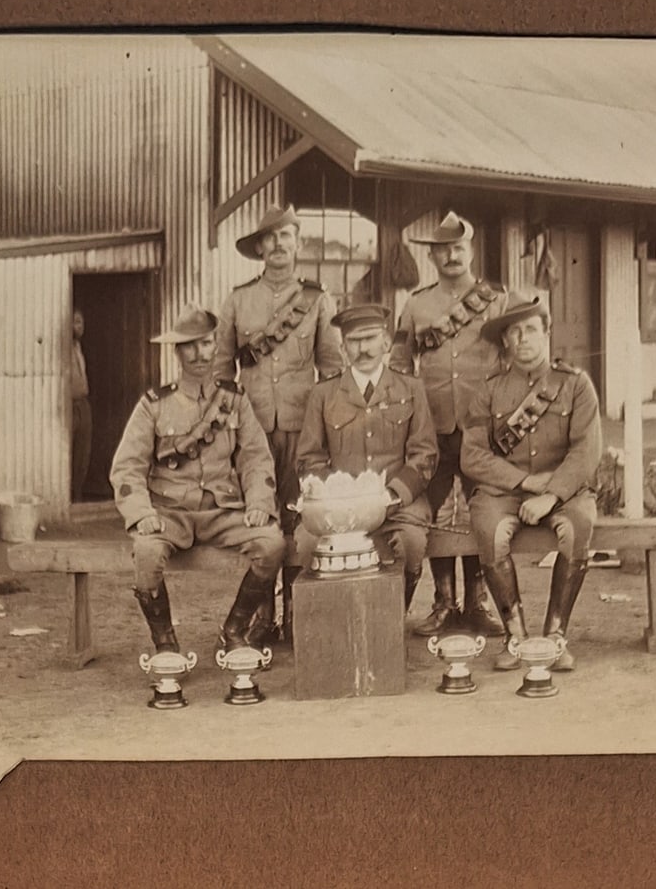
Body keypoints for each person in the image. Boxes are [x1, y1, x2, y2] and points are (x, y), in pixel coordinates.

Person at [110, 305, 286, 656]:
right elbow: (127, 468)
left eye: (207, 344)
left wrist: (259, 504)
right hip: (169, 513)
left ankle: (234, 630)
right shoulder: (154, 405)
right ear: (177, 351)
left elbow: (255, 459)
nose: (200, 354)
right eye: (190, 345)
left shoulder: (234, 401)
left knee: (272, 544)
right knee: (145, 553)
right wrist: (141, 513)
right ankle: (165, 645)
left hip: (221, 511)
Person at [213, 204, 344, 641]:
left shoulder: (318, 299)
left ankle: (296, 617)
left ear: (297, 243)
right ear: (259, 249)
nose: (277, 246)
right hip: (251, 433)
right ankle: (264, 620)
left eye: (285, 237)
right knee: (261, 522)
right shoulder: (238, 300)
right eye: (269, 239)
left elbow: (332, 370)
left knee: (301, 519)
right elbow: (220, 374)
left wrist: (327, 428)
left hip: (302, 428)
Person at [461, 290, 602, 671]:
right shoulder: (489, 391)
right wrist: (524, 482)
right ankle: (515, 636)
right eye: (515, 333)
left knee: (579, 525)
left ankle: (556, 634)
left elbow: (587, 451)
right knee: (488, 529)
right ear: (506, 341)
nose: (524, 340)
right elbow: (472, 455)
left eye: (531, 330)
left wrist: (552, 494)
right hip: (504, 491)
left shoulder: (576, 384)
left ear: (547, 332)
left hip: (565, 489)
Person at [390, 211, 508, 638]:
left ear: (471, 250)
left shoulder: (496, 300)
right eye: (444, 249)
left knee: (481, 511)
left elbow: (511, 362)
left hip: (482, 427)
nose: (452, 255)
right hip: (432, 427)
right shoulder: (417, 304)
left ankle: (476, 603)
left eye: (459, 248)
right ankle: (443, 602)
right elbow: (400, 366)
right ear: (434, 256)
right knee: (434, 512)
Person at [296, 304, 439, 612]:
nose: (363, 349)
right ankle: (331, 621)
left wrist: (392, 495)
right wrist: (336, 495)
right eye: (354, 342)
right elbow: (309, 457)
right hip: (339, 505)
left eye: (371, 338)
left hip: (399, 504)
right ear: (343, 348)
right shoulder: (323, 394)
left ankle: (390, 619)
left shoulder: (411, 388)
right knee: (307, 544)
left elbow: (424, 454)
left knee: (411, 542)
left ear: (386, 343)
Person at [71, 307, 92, 502]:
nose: (80, 327)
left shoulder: (78, 346)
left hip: (82, 402)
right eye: (76, 322)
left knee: (82, 452)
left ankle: (77, 495)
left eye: (81, 322)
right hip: (69, 404)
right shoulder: (65, 348)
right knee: (69, 451)